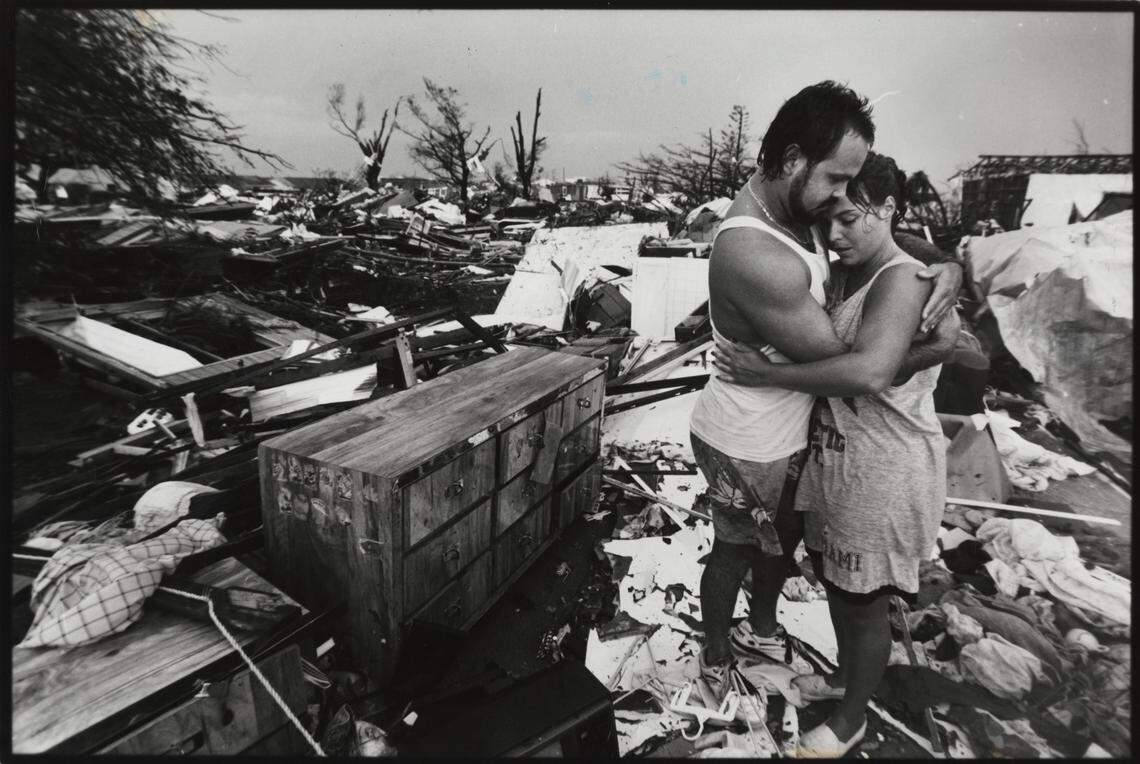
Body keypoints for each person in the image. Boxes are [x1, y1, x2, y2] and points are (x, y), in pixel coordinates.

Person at [687, 81, 961, 708]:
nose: (844, 196)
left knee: (778, 543)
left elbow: (878, 236)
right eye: (837, 178)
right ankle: (715, 654)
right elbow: (857, 368)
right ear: (790, 161)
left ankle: (759, 627)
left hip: (792, 432)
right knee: (732, 551)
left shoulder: (795, 205)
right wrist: (937, 347)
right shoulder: (758, 254)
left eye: (854, 183)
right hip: (746, 440)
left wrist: (946, 265)